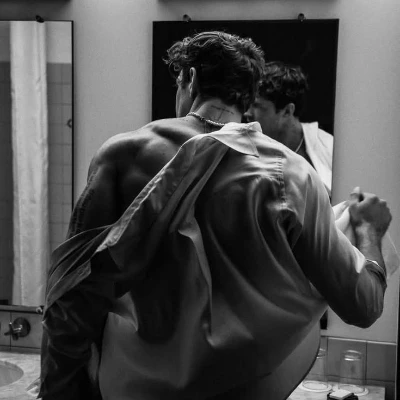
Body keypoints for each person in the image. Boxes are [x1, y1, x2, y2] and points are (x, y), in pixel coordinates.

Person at [38, 31, 391, 400]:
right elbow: (364, 306)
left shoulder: (122, 156)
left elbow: (70, 297)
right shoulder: (293, 176)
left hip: (133, 387)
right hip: (245, 388)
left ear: (189, 79)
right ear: (249, 97)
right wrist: (370, 230)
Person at [243, 61, 334, 196]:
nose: (247, 113)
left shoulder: (329, 147)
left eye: (256, 106)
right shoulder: (244, 149)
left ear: (287, 111)